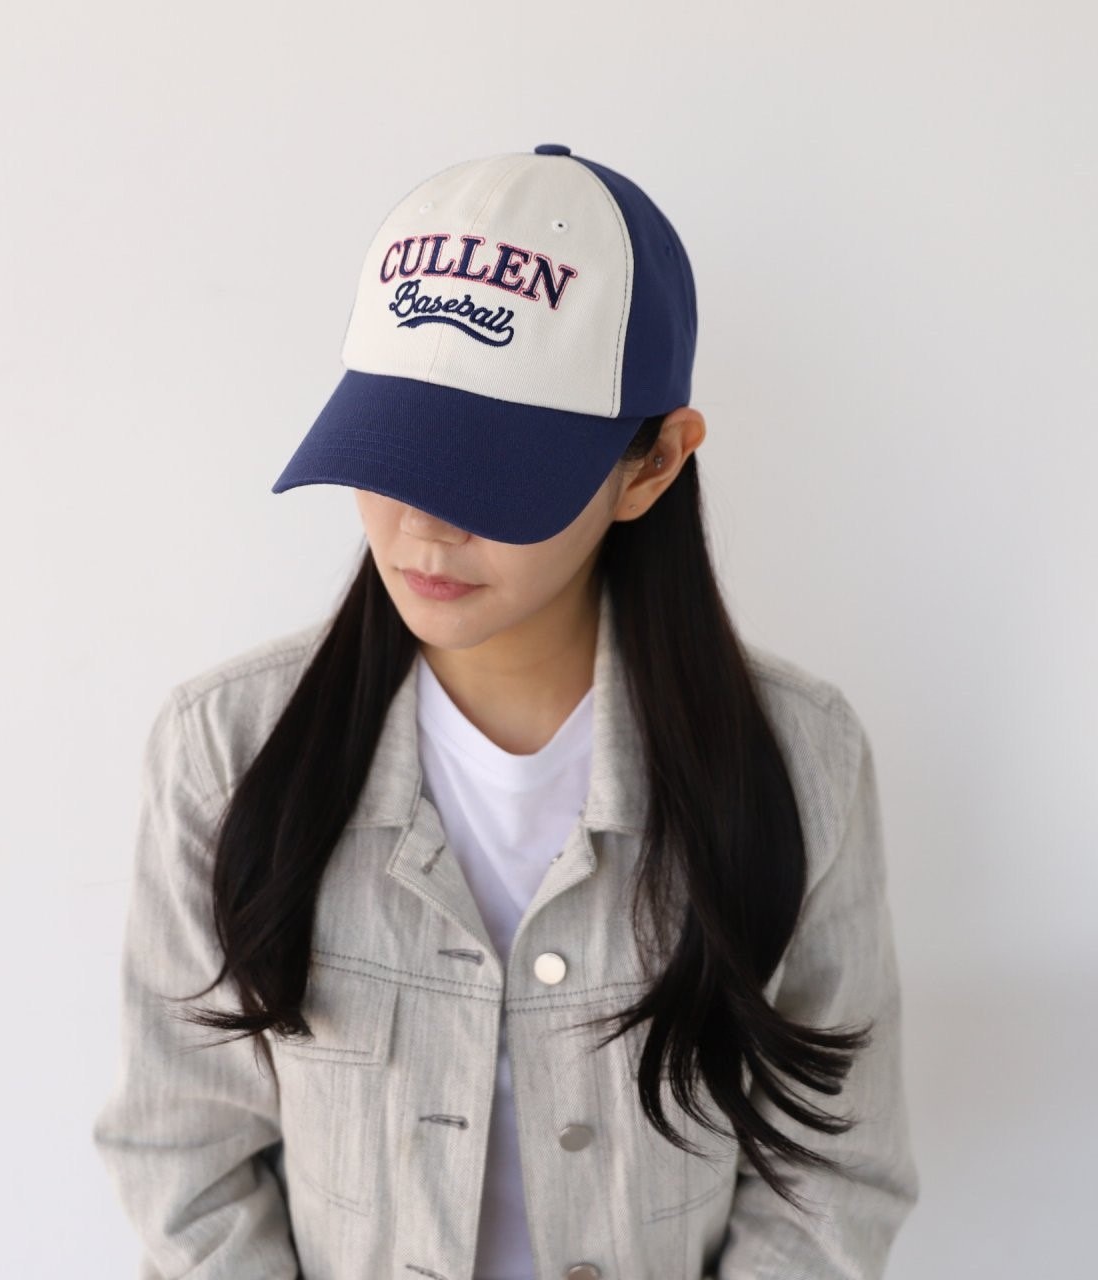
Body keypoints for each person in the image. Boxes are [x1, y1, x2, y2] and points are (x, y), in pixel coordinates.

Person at [92, 143, 920, 1280]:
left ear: (651, 465)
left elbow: (832, 1175)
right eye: (390, 452)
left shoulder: (797, 761)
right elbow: (183, 1162)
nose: (423, 530)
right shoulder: (225, 750)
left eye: (492, 473)